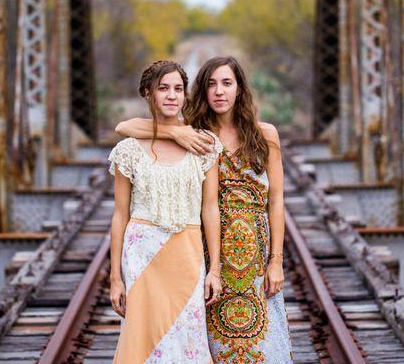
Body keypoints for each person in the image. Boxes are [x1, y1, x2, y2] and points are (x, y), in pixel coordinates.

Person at [116, 56, 292, 363]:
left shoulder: (266, 135)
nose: (219, 92)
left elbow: (276, 201)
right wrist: (174, 132)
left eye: (227, 83)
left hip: (253, 254)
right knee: (207, 343)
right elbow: (125, 126)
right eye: (211, 84)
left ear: (240, 89)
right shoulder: (195, 134)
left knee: (262, 343)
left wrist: (276, 260)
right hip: (209, 253)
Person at [108, 60, 223, 363]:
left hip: (186, 253)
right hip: (142, 254)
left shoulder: (204, 144)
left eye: (178, 89)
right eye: (163, 89)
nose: (172, 95)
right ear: (148, 93)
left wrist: (215, 269)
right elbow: (120, 215)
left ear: (186, 95)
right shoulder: (128, 150)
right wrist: (115, 277)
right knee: (143, 339)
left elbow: (210, 209)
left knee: (187, 336)